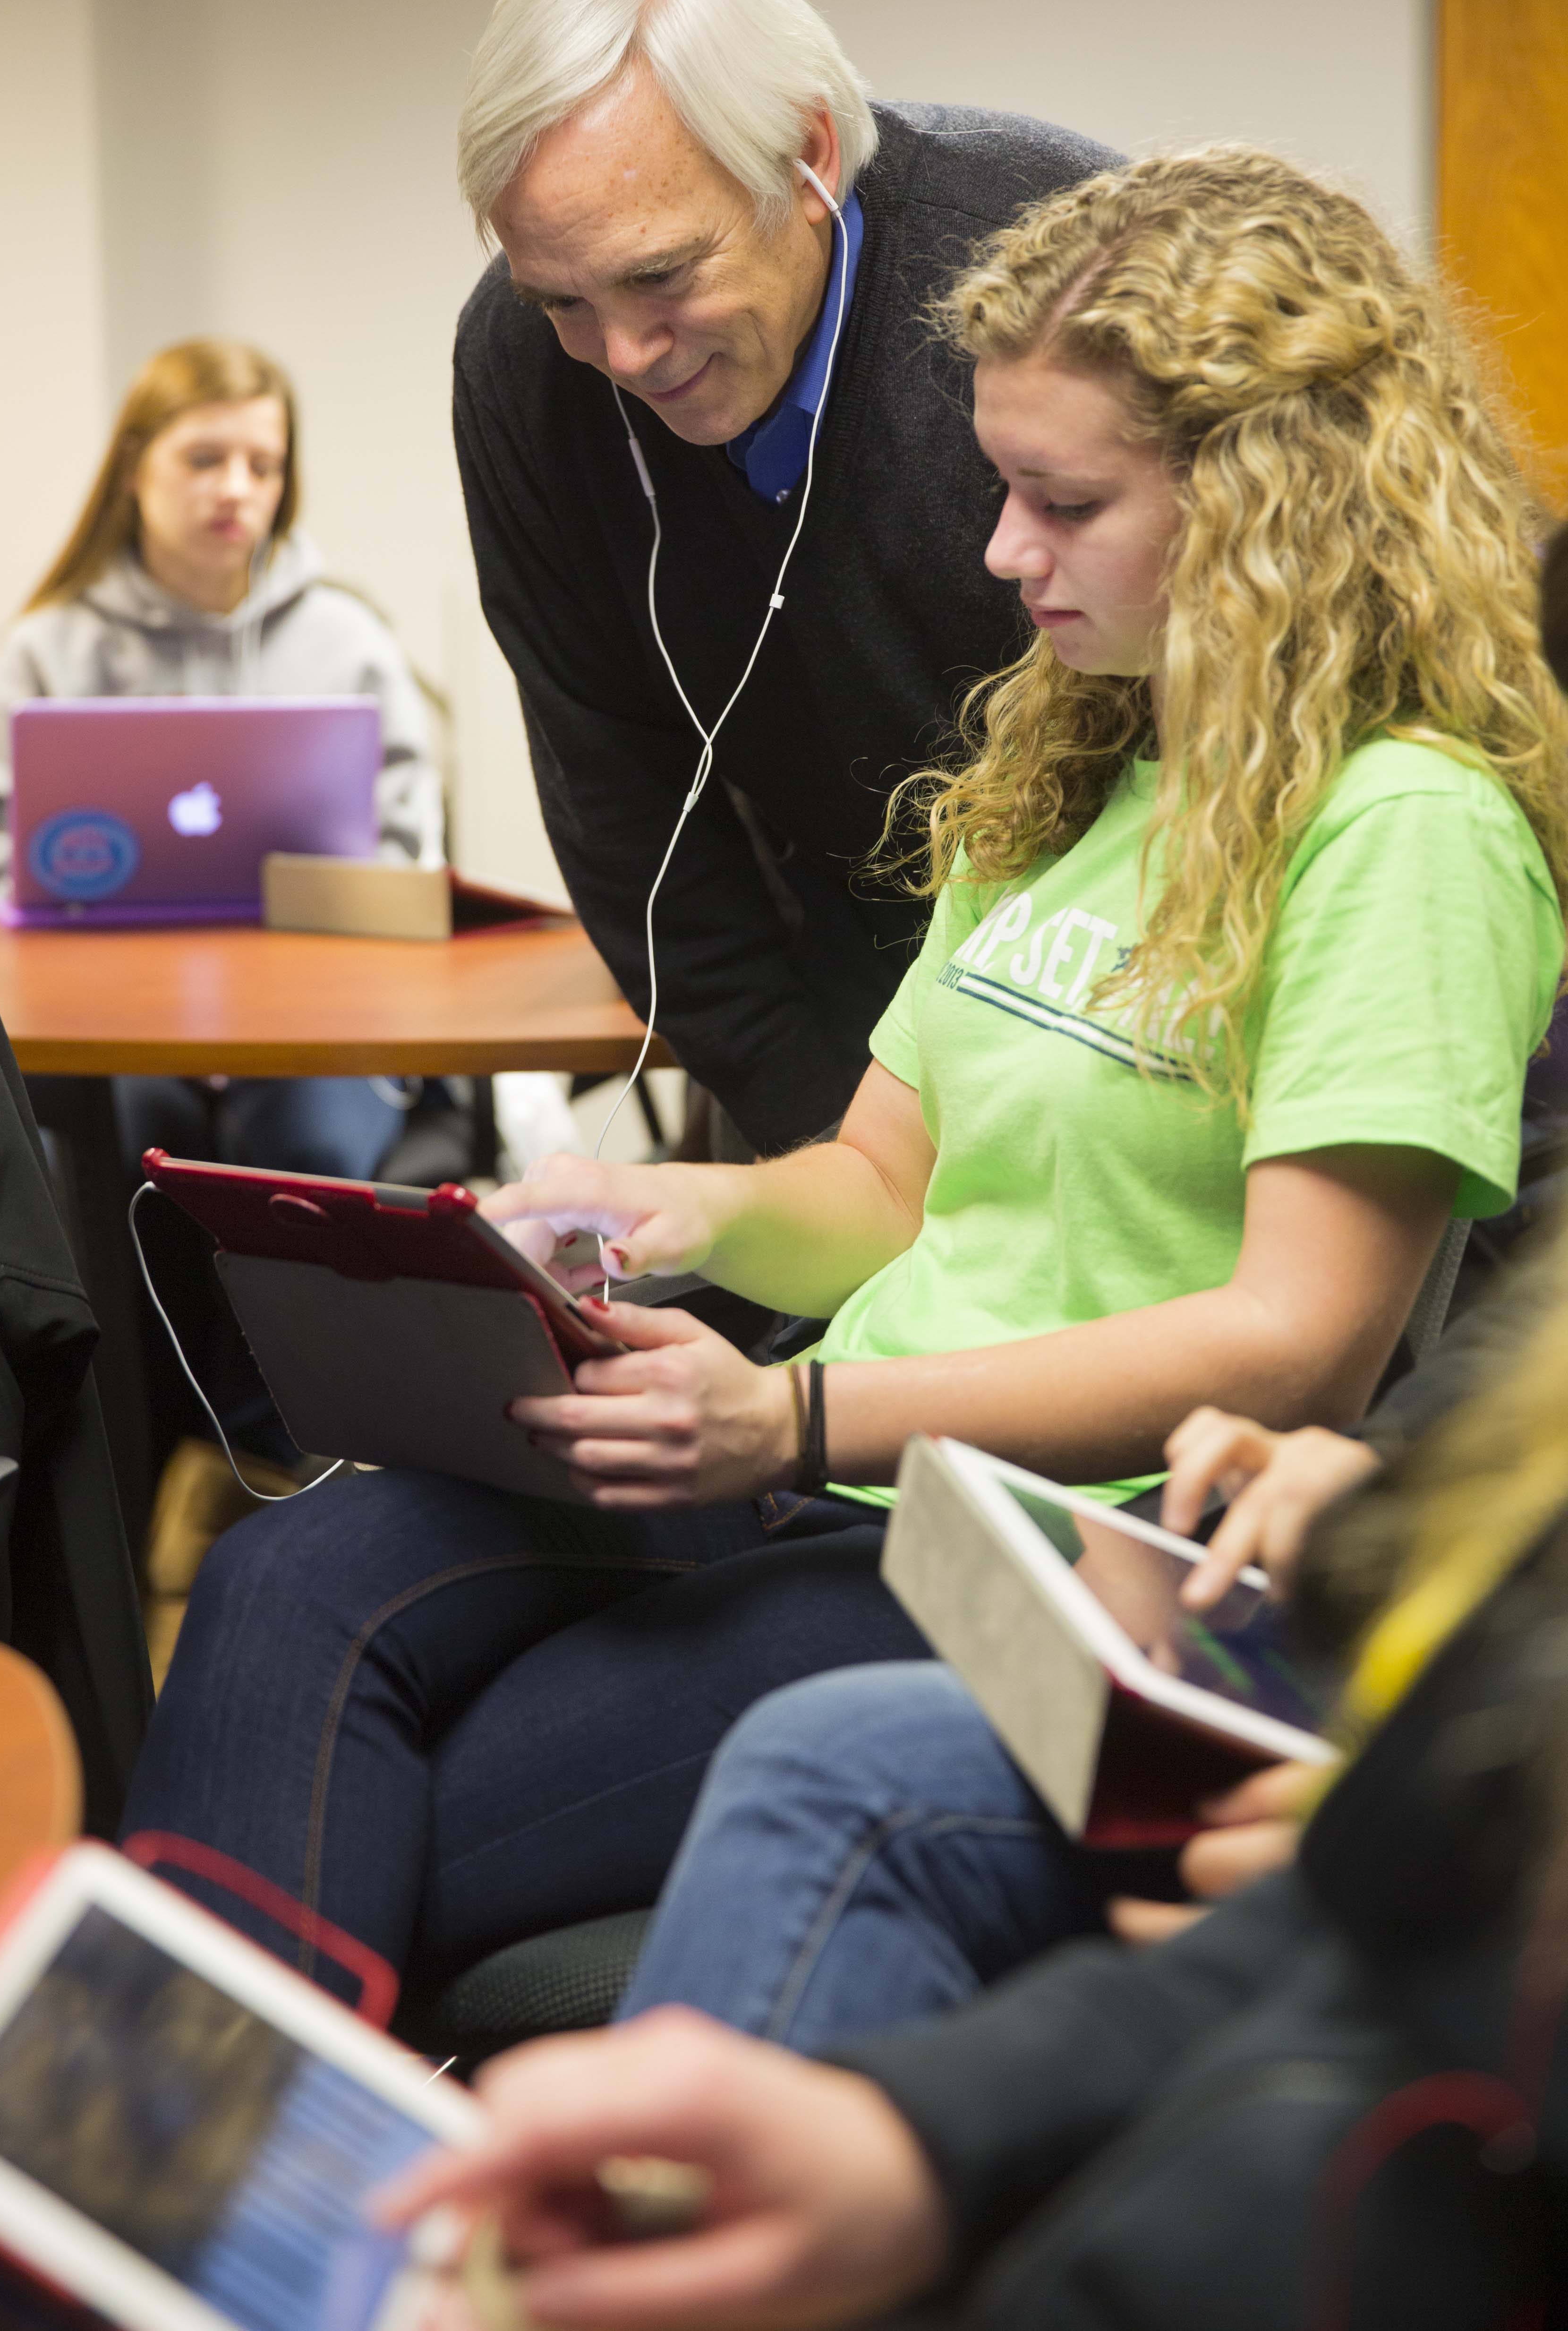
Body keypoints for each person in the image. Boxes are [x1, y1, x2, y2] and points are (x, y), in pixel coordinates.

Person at [119, 147, 1567, 2015]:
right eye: (1002, 491)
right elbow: (885, 1185)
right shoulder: (1082, 763)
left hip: (1021, 1542)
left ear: (1271, 507)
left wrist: (795, 1427)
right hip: (824, 1453)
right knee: (277, 1582)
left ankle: (247, 2243)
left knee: (397, 1811)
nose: (1001, 554)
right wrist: (665, 1214)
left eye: (1063, 502)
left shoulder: (1408, 828)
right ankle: (194, 2236)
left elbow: (1297, 1343)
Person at [378, 1211, 1568, 2331]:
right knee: (303, 1592)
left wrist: (797, 1416)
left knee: (433, 1825)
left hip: (879, 1481)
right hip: (1351, 1732)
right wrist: (904, 2132)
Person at [454, 0, 1118, 1155]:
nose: (625, 355)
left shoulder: (1059, 268)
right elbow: (628, 822)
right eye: (564, 302)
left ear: (809, 158)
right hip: (844, 1009)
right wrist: (838, 1175)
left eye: (662, 276)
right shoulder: (520, 370)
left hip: (1154, 988)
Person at [0, 336, 445, 1188]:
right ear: (136, 468)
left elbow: (404, 858)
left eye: (263, 465)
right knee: (122, 1160)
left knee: (318, 1156)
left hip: (311, 1019)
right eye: (205, 458)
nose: (237, 489)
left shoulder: (349, 642)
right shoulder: (46, 651)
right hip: (106, 1026)